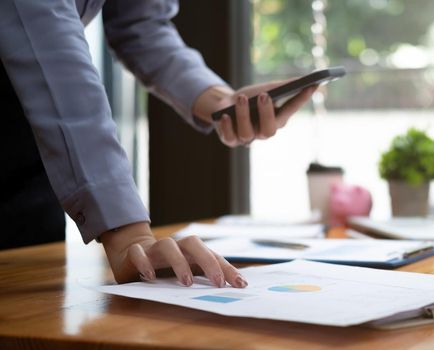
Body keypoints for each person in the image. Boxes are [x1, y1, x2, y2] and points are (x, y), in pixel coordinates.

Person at [0, 0, 316, 288]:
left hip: (31, 141)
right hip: (45, 104)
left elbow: (140, 21)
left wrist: (220, 101)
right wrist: (130, 238)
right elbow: (45, 38)